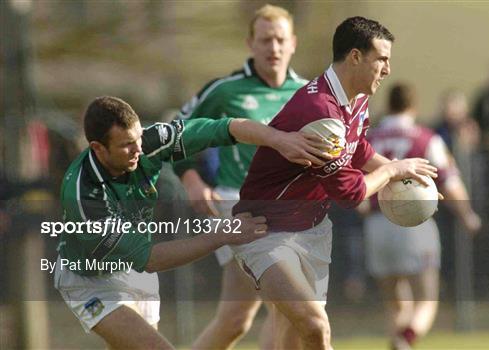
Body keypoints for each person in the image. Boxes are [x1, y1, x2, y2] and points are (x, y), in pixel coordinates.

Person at [54, 96, 331, 349]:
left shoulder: (148, 142)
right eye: (126, 145)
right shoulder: (84, 195)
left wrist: (278, 139)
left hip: (134, 269)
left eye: (138, 137)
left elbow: (225, 128)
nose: (138, 148)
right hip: (91, 278)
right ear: (98, 149)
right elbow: (149, 258)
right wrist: (222, 235)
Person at [232, 17, 439, 349]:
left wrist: (404, 175)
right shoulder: (321, 112)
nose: (387, 69)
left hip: (310, 230)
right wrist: (392, 171)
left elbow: (358, 150)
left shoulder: (354, 98)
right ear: (355, 57)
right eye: (382, 59)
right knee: (315, 327)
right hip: (265, 230)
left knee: (290, 338)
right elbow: (350, 193)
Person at [174, 5, 308, 349]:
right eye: (265, 40)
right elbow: (175, 134)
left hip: (292, 211)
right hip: (241, 207)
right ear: (251, 44)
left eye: (280, 40)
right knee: (293, 309)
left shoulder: (309, 94)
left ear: (292, 43)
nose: (273, 48)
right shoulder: (225, 91)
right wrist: (190, 178)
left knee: (235, 321)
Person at [363, 83, 481, 350]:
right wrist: (467, 215)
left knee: (395, 305)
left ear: (388, 105)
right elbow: (450, 183)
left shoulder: (370, 139)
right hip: (415, 224)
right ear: (414, 107)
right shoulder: (427, 138)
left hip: (376, 223)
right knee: (426, 300)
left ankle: (397, 342)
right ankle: (406, 340)